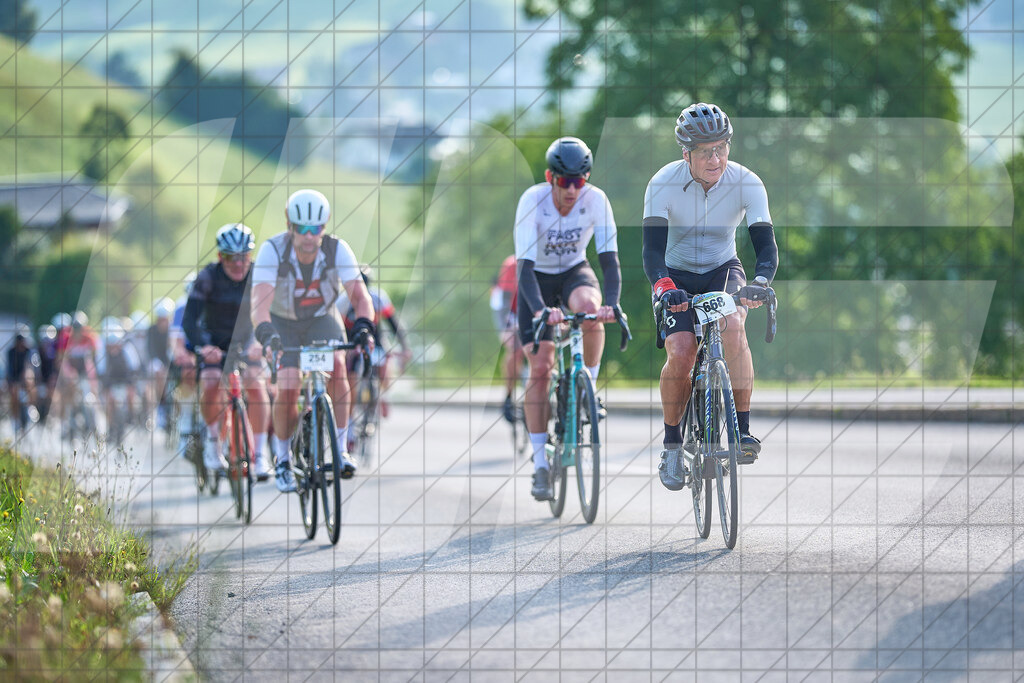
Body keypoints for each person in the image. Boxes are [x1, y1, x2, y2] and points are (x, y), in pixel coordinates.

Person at [641, 102, 778, 491]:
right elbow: (651, 251)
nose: (715, 158)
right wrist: (664, 286)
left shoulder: (746, 181)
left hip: (722, 269)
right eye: (704, 152)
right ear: (686, 153)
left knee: (734, 325)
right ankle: (671, 444)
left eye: (721, 147)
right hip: (676, 274)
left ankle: (741, 431)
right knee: (681, 352)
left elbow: (765, 246)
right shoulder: (662, 183)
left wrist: (762, 282)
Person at [515, 136, 623, 502]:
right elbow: (524, 270)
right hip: (537, 281)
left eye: (581, 180)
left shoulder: (597, 199)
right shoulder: (533, 202)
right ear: (551, 177)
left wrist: (611, 304)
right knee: (542, 367)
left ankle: (588, 386)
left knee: (590, 310)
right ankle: (541, 465)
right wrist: (541, 312)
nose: (573, 189)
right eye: (565, 181)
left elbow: (609, 260)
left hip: (575, 271)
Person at [251, 189, 376, 493]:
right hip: (283, 322)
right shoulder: (273, 251)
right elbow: (259, 304)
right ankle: (281, 459)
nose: (309, 236)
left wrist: (363, 327)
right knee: (290, 383)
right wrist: (267, 335)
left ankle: (342, 448)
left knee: (337, 363)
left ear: (325, 225)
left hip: (322, 318)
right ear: (289, 225)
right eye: (302, 229)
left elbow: (360, 296)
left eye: (316, 228)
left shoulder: (337, 250)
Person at [184, 224, 272, 480]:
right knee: (211, 382)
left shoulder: (258, 276)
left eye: (244, 256)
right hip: (215, 342)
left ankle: (260, 453)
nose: (238, 263)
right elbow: (190, 320)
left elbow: (273, 314)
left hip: (247, 341)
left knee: (256, 384)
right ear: (220, 256)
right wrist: (203, 345)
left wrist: (261, 341)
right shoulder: (208, 277)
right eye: (231, 257)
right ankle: (214, 443)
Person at [337, 265, 412, 451]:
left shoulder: (379, 298)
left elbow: (394, 324)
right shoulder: (343, 302)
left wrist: (405, 347)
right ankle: (351, 425)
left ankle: (384, 394)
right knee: (351, 379)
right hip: (351, 344)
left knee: (385, 364)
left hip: (376, 342)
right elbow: (338, 328)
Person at [491, 254, 525, 424]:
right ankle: (509, 397)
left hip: (532, 308)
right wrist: (506, 330)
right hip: (509, 309)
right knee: (515, 349)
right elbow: (503, 302)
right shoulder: (513, 264)